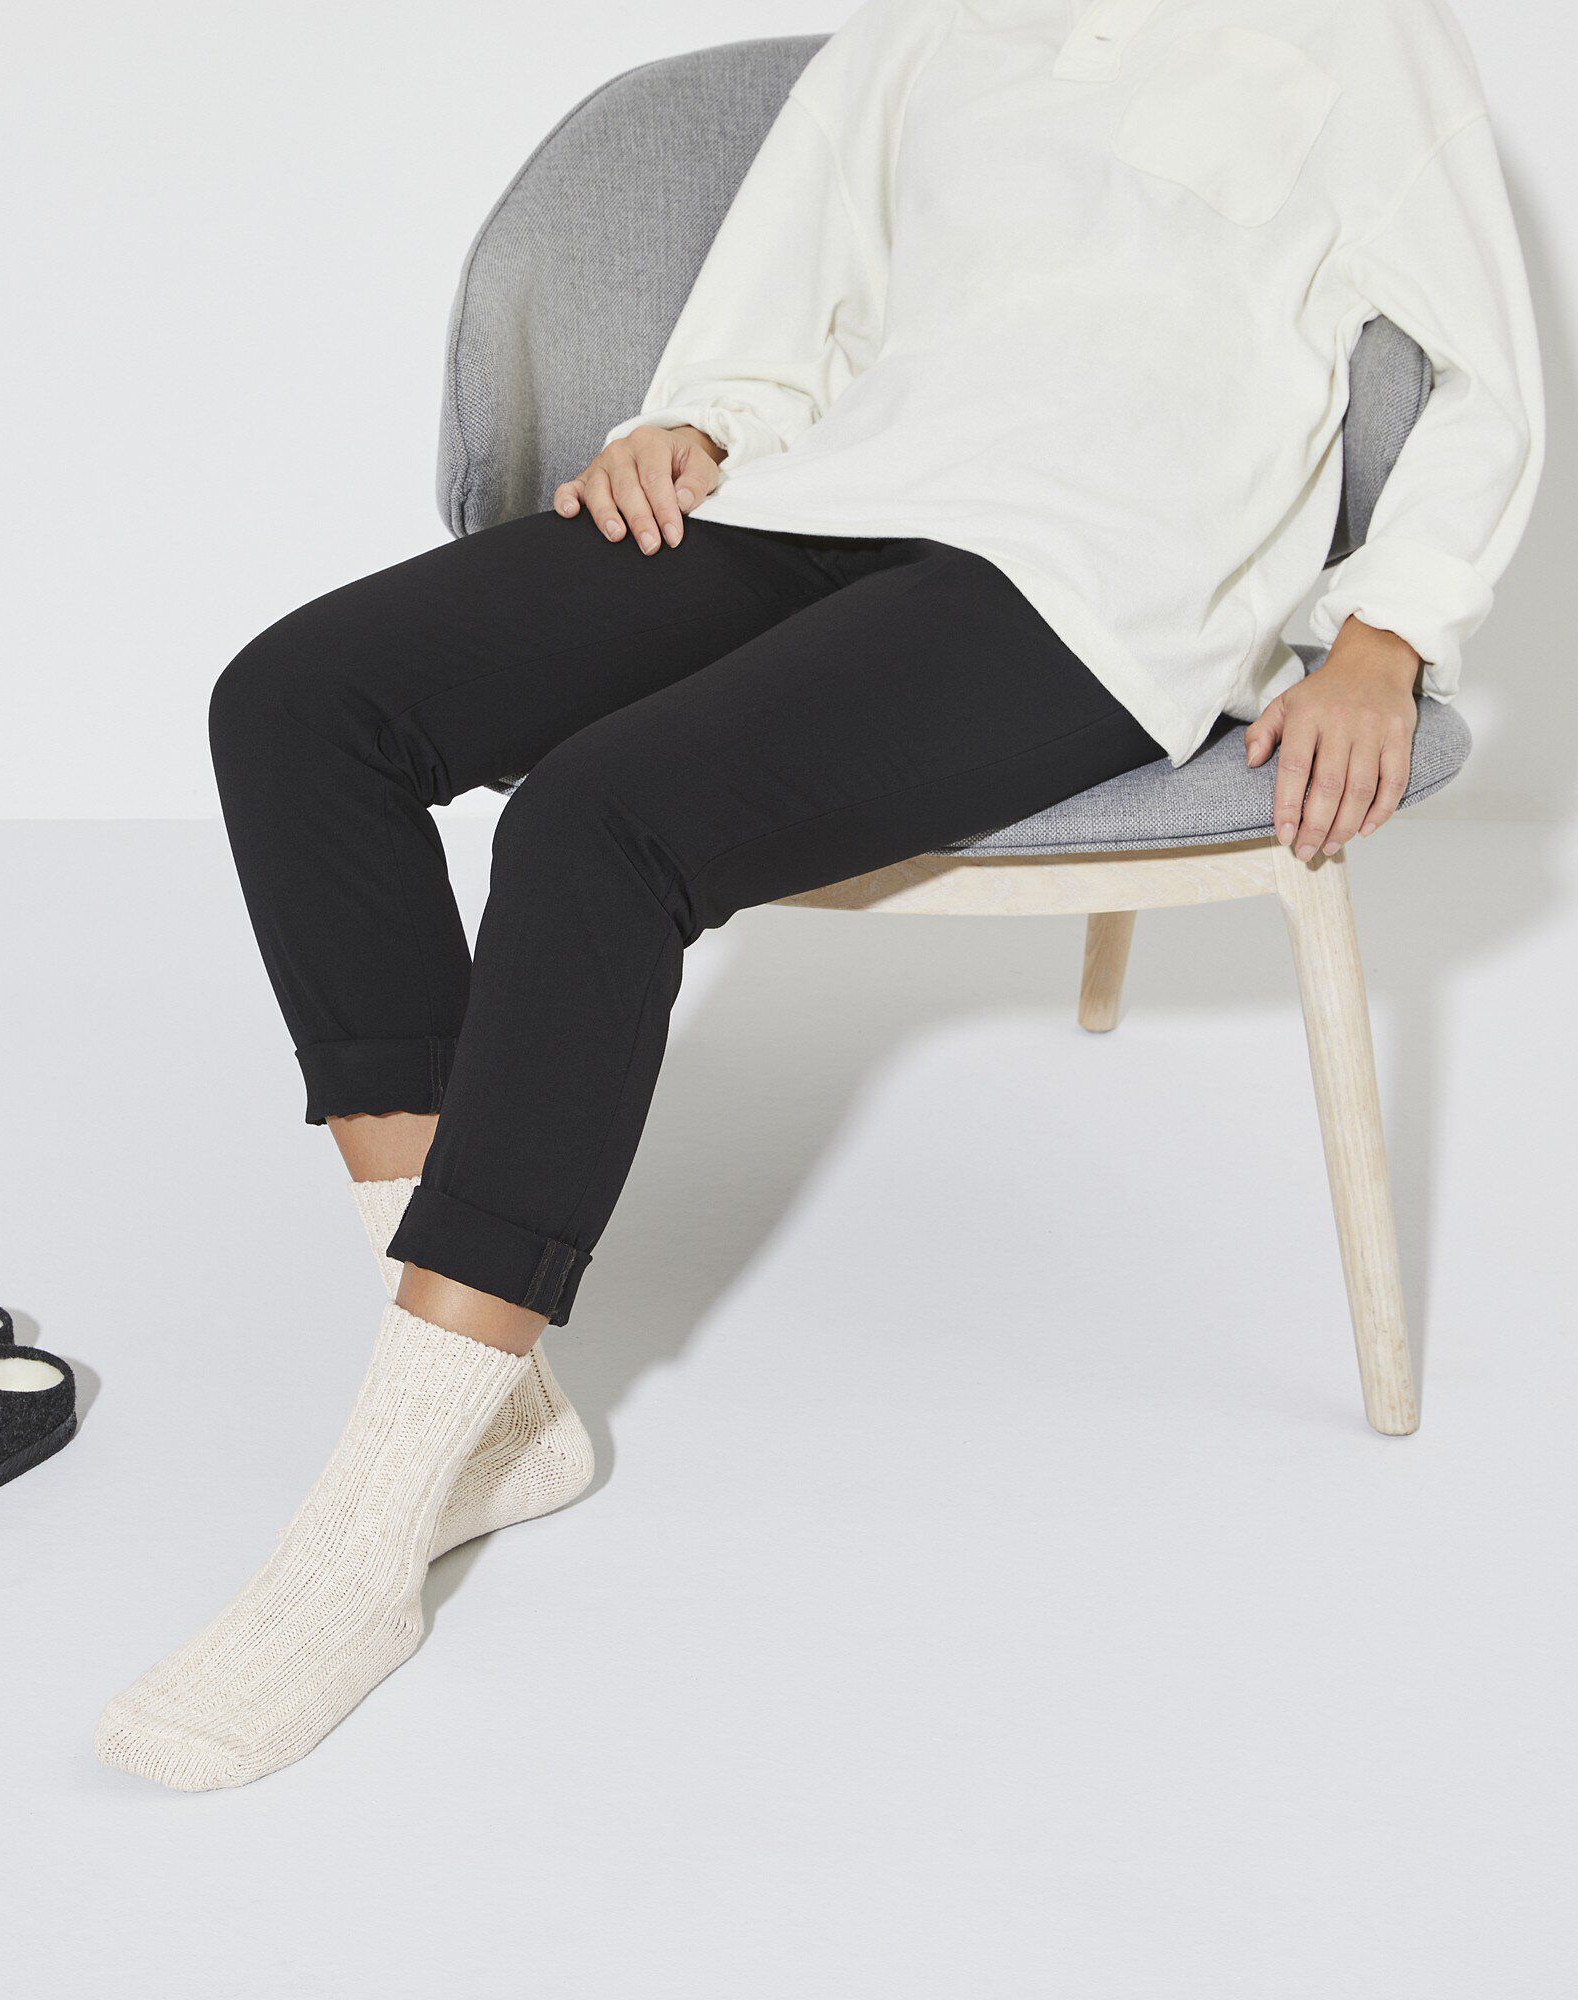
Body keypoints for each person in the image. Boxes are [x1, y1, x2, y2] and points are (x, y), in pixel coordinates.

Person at [95, 0, 1542, 1790]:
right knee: (303, 706)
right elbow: (777, 304)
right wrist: (694, 420)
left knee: (597, 825)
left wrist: (1390, 633)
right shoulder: (924, 28)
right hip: (822, 504)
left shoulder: (1358, 36)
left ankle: (366, 1535)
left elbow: (1490, 376)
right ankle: (495, 1420)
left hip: (1090, 587)